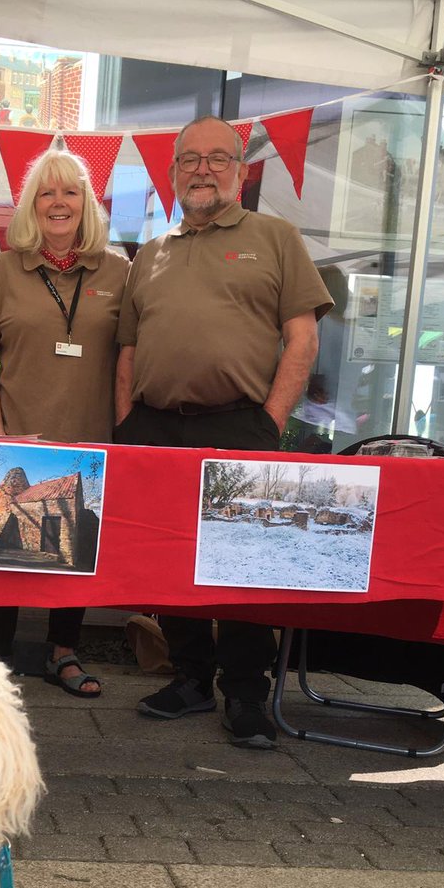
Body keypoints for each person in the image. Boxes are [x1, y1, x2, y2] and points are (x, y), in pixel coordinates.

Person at [114, 115, 333, 748]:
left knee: (241, 563)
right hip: (154, 426)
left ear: (240, 171)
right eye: (189, 159)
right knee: (167, 559)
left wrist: (269, 421)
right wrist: (128, 420)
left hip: (241, 423)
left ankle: (245, 694)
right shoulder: (150, 252)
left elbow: (303, 336)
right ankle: (189, 678)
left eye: (217, 158)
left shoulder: (275, 236)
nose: (202, 168)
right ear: (174, 171)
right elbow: (128, 348)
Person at [0, 148, 129, 698]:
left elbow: (132, 357)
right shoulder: (2, 271)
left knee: (73, 544)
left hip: (91, 438)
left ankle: (64, 651)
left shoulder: (120, 272)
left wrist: (126, 432)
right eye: (47, 193)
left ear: (87, 205)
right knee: (6, 547)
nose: (59, 203)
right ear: (33, 206)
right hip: (19, 436)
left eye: (71, 192)